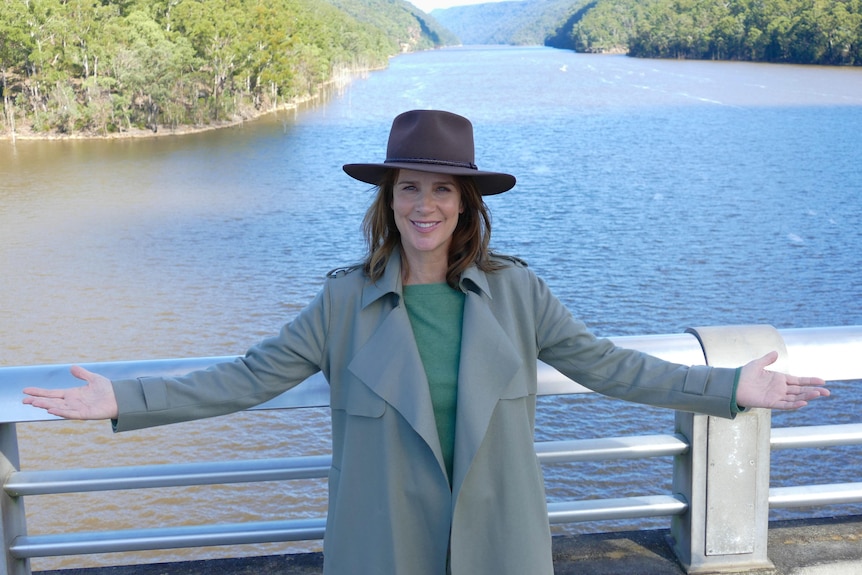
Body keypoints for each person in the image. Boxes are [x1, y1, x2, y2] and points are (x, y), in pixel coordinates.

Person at [23, 110, 829, 575]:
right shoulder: (343, 301)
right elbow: (247, 378)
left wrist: (729, 388)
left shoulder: (518, 292)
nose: (425, 205)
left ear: (466, 203)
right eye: (410, 187)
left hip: (498, 549)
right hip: (385, 548)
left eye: (442, 189)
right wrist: (122, 398)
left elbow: (608, 366)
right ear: (389, 199)